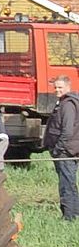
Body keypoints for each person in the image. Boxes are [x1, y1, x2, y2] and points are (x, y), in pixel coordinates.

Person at [42, 75, 79, 221]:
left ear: (68, 87)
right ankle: (74, 214)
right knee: (68, 182)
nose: (57, 90)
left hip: (66, 151)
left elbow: (67, 130)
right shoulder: (62, 102)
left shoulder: (68, 104)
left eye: (60, 87)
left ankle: (69, 216)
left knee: (67, 184)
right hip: (66, 149)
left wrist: (58, 149)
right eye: (55, 87)